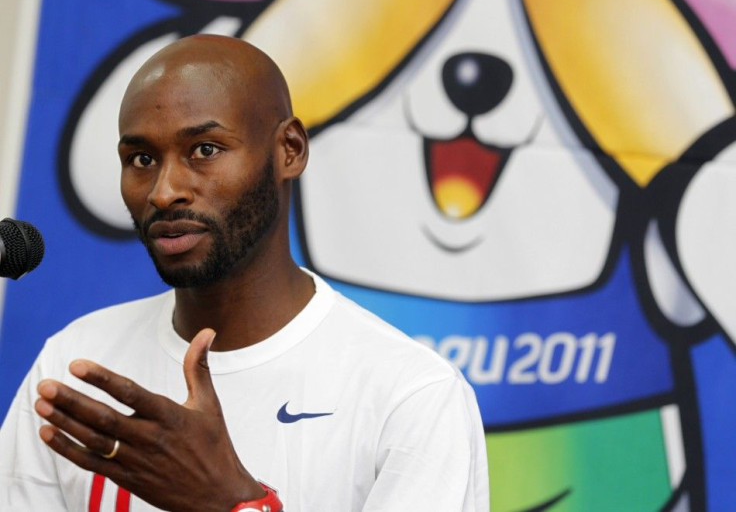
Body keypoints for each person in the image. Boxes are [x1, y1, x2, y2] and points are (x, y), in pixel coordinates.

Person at [0, 34, 489, 511]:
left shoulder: (411, 394)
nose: (164, 191)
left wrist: (230, 504)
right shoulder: (73, 365)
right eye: (142, 159)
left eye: (205, 150)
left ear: (289, 150)